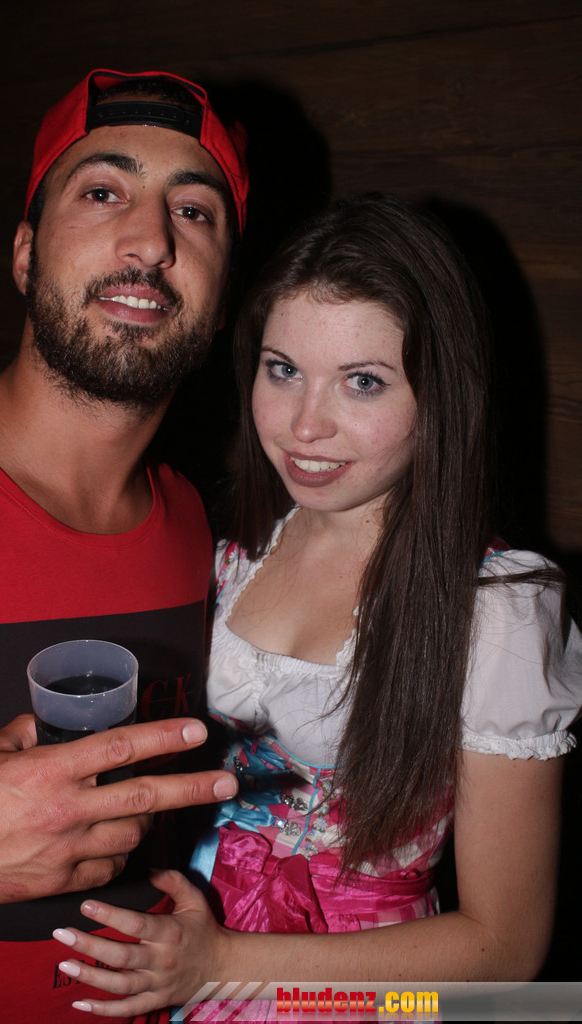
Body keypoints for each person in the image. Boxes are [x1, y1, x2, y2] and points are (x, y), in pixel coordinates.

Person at [48, 194, 582, 1016]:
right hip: (181, 956)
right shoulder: (228, 541)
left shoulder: (500, 607)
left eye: (362, 382)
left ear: (442, 395)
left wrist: (225, 960)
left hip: (364, 994)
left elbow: (505, 948)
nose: (305, 426)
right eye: (283, 369)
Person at [0, 68, 250, 1022]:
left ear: (223, 295)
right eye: (103, 193)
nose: (151, 241)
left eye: (194, 212)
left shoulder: (196, 527)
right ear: (24, 254)